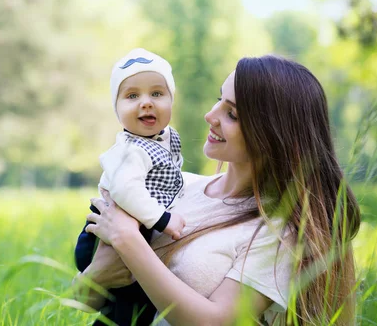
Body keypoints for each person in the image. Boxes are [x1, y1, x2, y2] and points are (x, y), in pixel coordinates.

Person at [73, 55, 361, 326]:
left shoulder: (278, 232)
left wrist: (127, 240)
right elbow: (81, 301)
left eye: (232, 113)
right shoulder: (174, 187)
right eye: (218, 100)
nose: (210, 115)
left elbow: (217, 322)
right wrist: (97, 274)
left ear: (273, 133)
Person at [74, 48, 187, 325]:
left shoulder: (165, 138)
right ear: (117, 109)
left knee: (138, 303)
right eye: (132, 96)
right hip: (107, 232)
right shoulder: (130, 149)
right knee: (127, 305)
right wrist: (163, 219)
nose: (146, 103)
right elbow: (125, 191)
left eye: (157, 94)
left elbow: (172, 169)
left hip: (136, 227)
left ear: (171, 100)